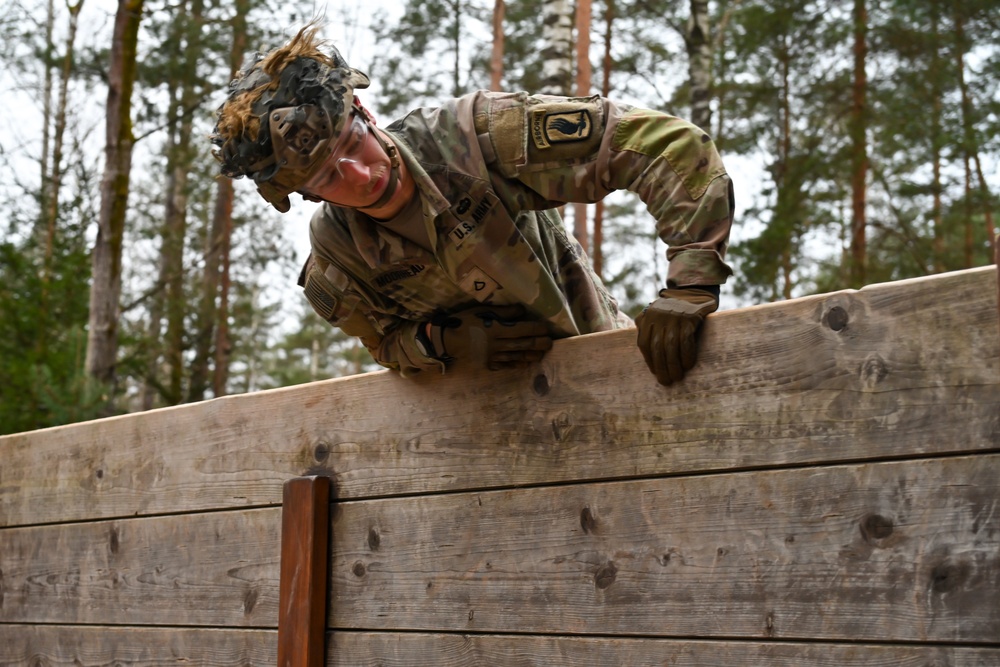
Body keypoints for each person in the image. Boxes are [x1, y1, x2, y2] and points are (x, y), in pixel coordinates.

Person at [211, 24, 734, 385]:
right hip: (492, 441)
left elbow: (665, 147)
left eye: (352, 144)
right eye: (328, 177)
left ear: (363, 112)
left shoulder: (473, 141)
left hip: (612, 368)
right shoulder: (339, 250)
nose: (359, 175)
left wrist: (689, 287)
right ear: (307, 194)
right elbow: (385, 343)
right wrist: (440, 344)